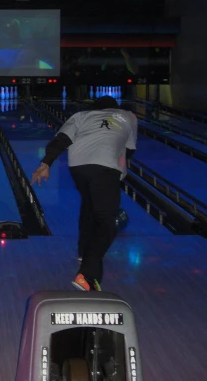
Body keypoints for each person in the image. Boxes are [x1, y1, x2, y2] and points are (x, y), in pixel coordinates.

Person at [31, 96, 138, 292]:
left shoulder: (81, 115)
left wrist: (45, 163)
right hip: (105, 168)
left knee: (89, 206)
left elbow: (61, 139)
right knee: (107, 222)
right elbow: (129, 150)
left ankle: (84, 251)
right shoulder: (128, 116)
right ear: (115, 108)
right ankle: (87, 275)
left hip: (78, 167)